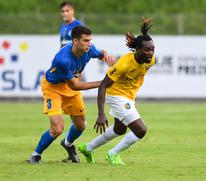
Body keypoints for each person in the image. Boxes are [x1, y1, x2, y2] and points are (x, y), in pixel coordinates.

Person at [28, 26, 116, 164]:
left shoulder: (89, 49)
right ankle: (36, 155)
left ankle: (68, 144)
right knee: (57, 129)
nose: (89, 43)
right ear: (75, 41)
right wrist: (103, 82)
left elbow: (101, 53)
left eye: (90, 40)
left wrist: (107, 55)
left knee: (81, 125)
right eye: (85, 40)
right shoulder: (63, 60)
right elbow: (75, 85)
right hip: (53, 88)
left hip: (70, 87)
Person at [78, 18, 155, 165]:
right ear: (137, 50)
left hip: (129, 97)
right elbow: (102, 86)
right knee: (141, 130)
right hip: (116, 96)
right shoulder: (123, 64)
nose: (150, 53)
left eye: (152, 49)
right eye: (147, 50)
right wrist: (101, 114)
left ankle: (88, 148)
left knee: (119, 130)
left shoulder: (150, 60)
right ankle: (112, 154)